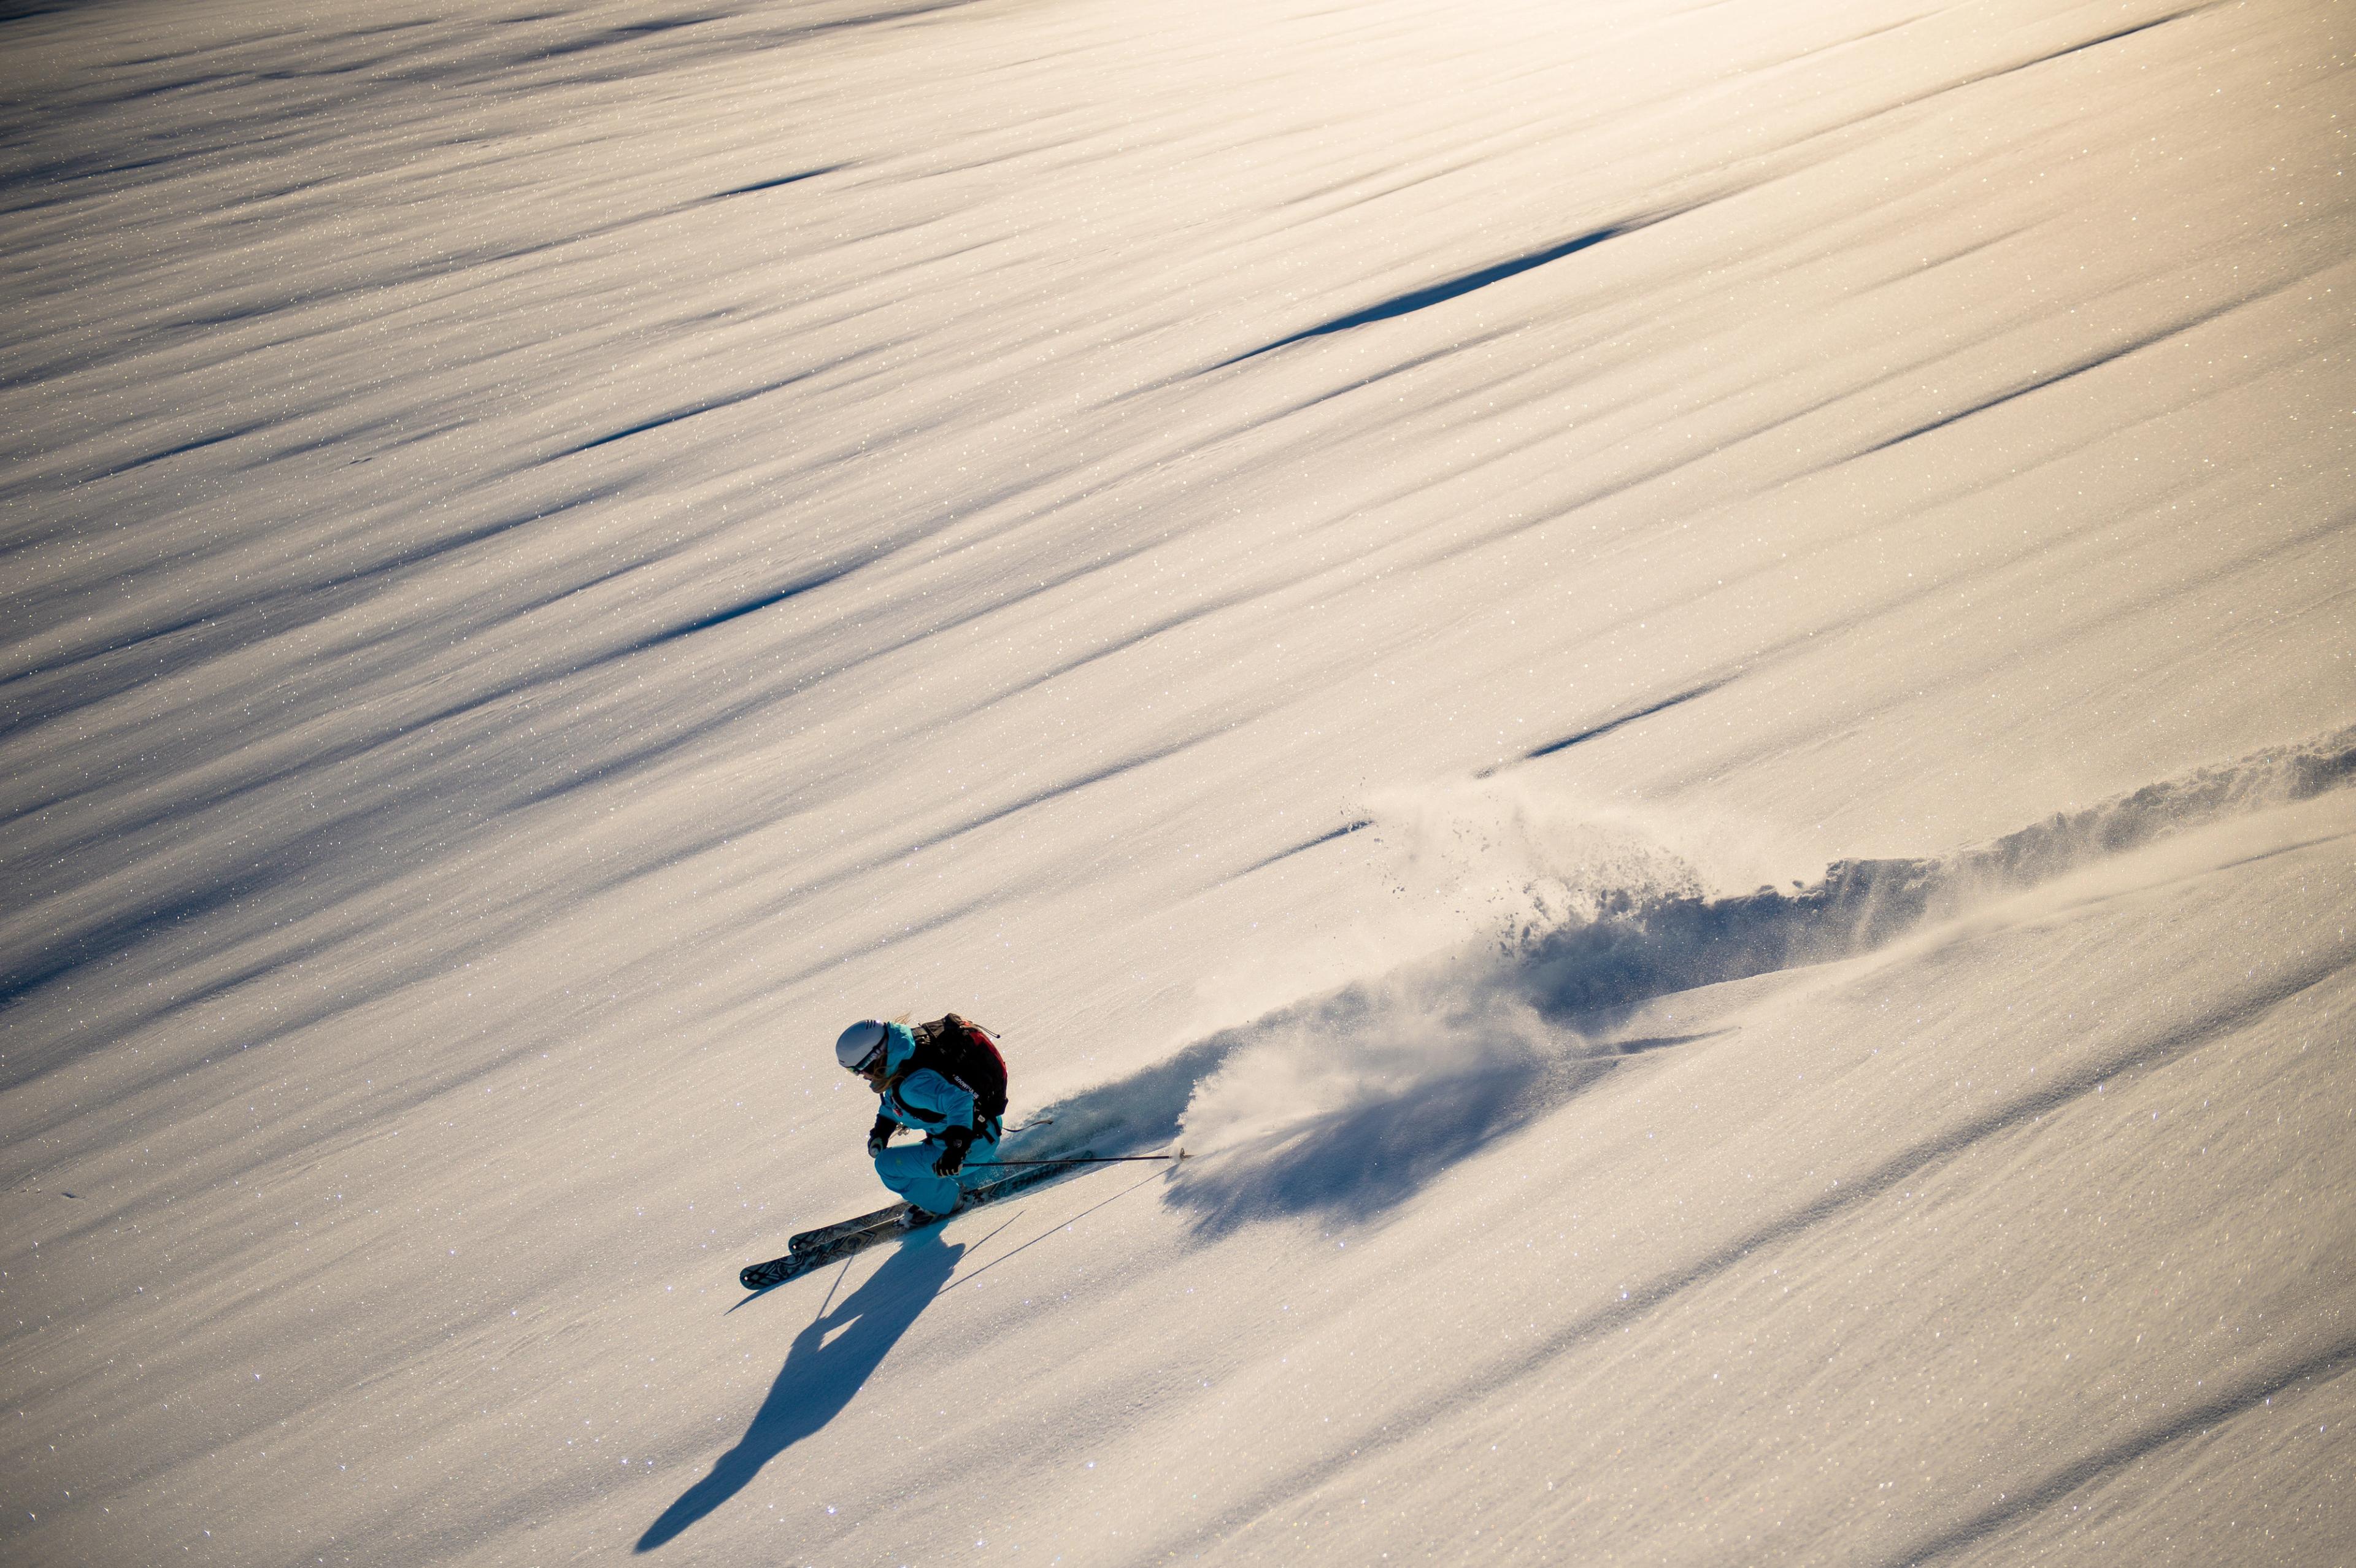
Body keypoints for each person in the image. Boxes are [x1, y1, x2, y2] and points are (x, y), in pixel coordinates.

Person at [834, 1014, 1006, 1226]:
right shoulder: (906, 1053)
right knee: (934, 1162)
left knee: (887, 1166)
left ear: (873, 1060)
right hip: (984, 1130)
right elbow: (893, 1103)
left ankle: (948, 1203)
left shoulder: (912, 1086)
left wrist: (955, 1151)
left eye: (857, 1070)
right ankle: (981, 1172)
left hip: (968, 1151)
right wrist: (881, 1131)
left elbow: (960, 1101)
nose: (862, 1076)